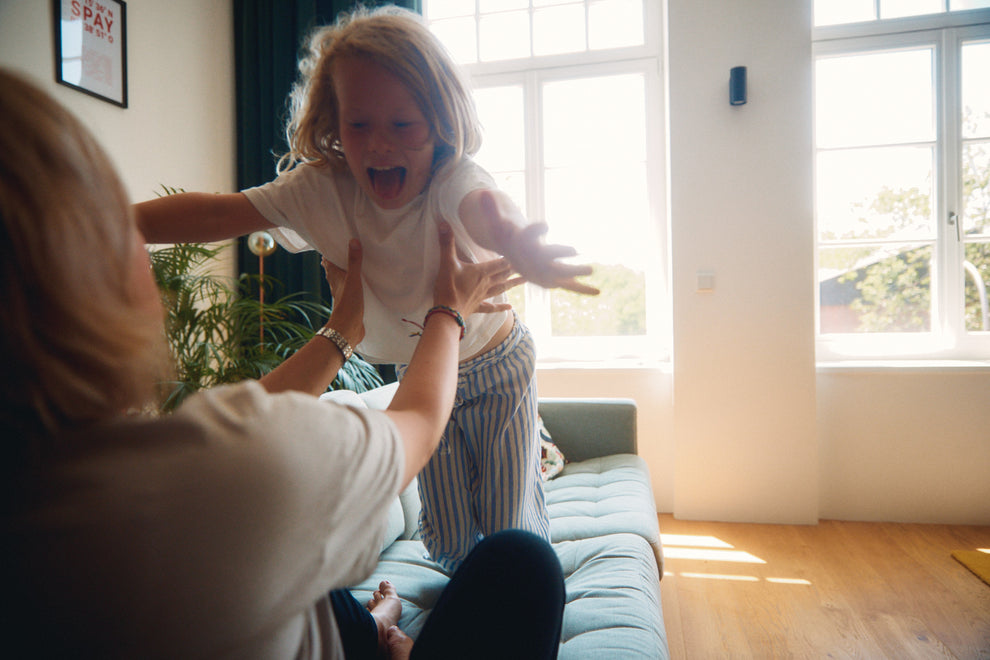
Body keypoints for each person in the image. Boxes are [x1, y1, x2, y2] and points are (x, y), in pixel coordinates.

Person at [0, 69, 565, 659]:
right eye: (115, 234)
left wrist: (340, 335)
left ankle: (376, 627)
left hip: (491, 358)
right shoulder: (234, 476)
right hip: (443, 348)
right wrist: (448, 309)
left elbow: (483, 204)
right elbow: (419, 422)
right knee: (523, 564)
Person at [134, 5, 599, 574]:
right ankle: (463, 600)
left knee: (509, 527)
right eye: (358, 125)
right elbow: (218, 214)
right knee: (449, 534)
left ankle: (527, 589)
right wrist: (116, 221)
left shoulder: (451, 180)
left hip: (497, 361)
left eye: (402, 125)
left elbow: (488, 211)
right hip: (420, 368)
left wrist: (517, 239)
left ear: (440, 122)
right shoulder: (320, 189)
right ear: (333, 122)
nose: (378, 146)